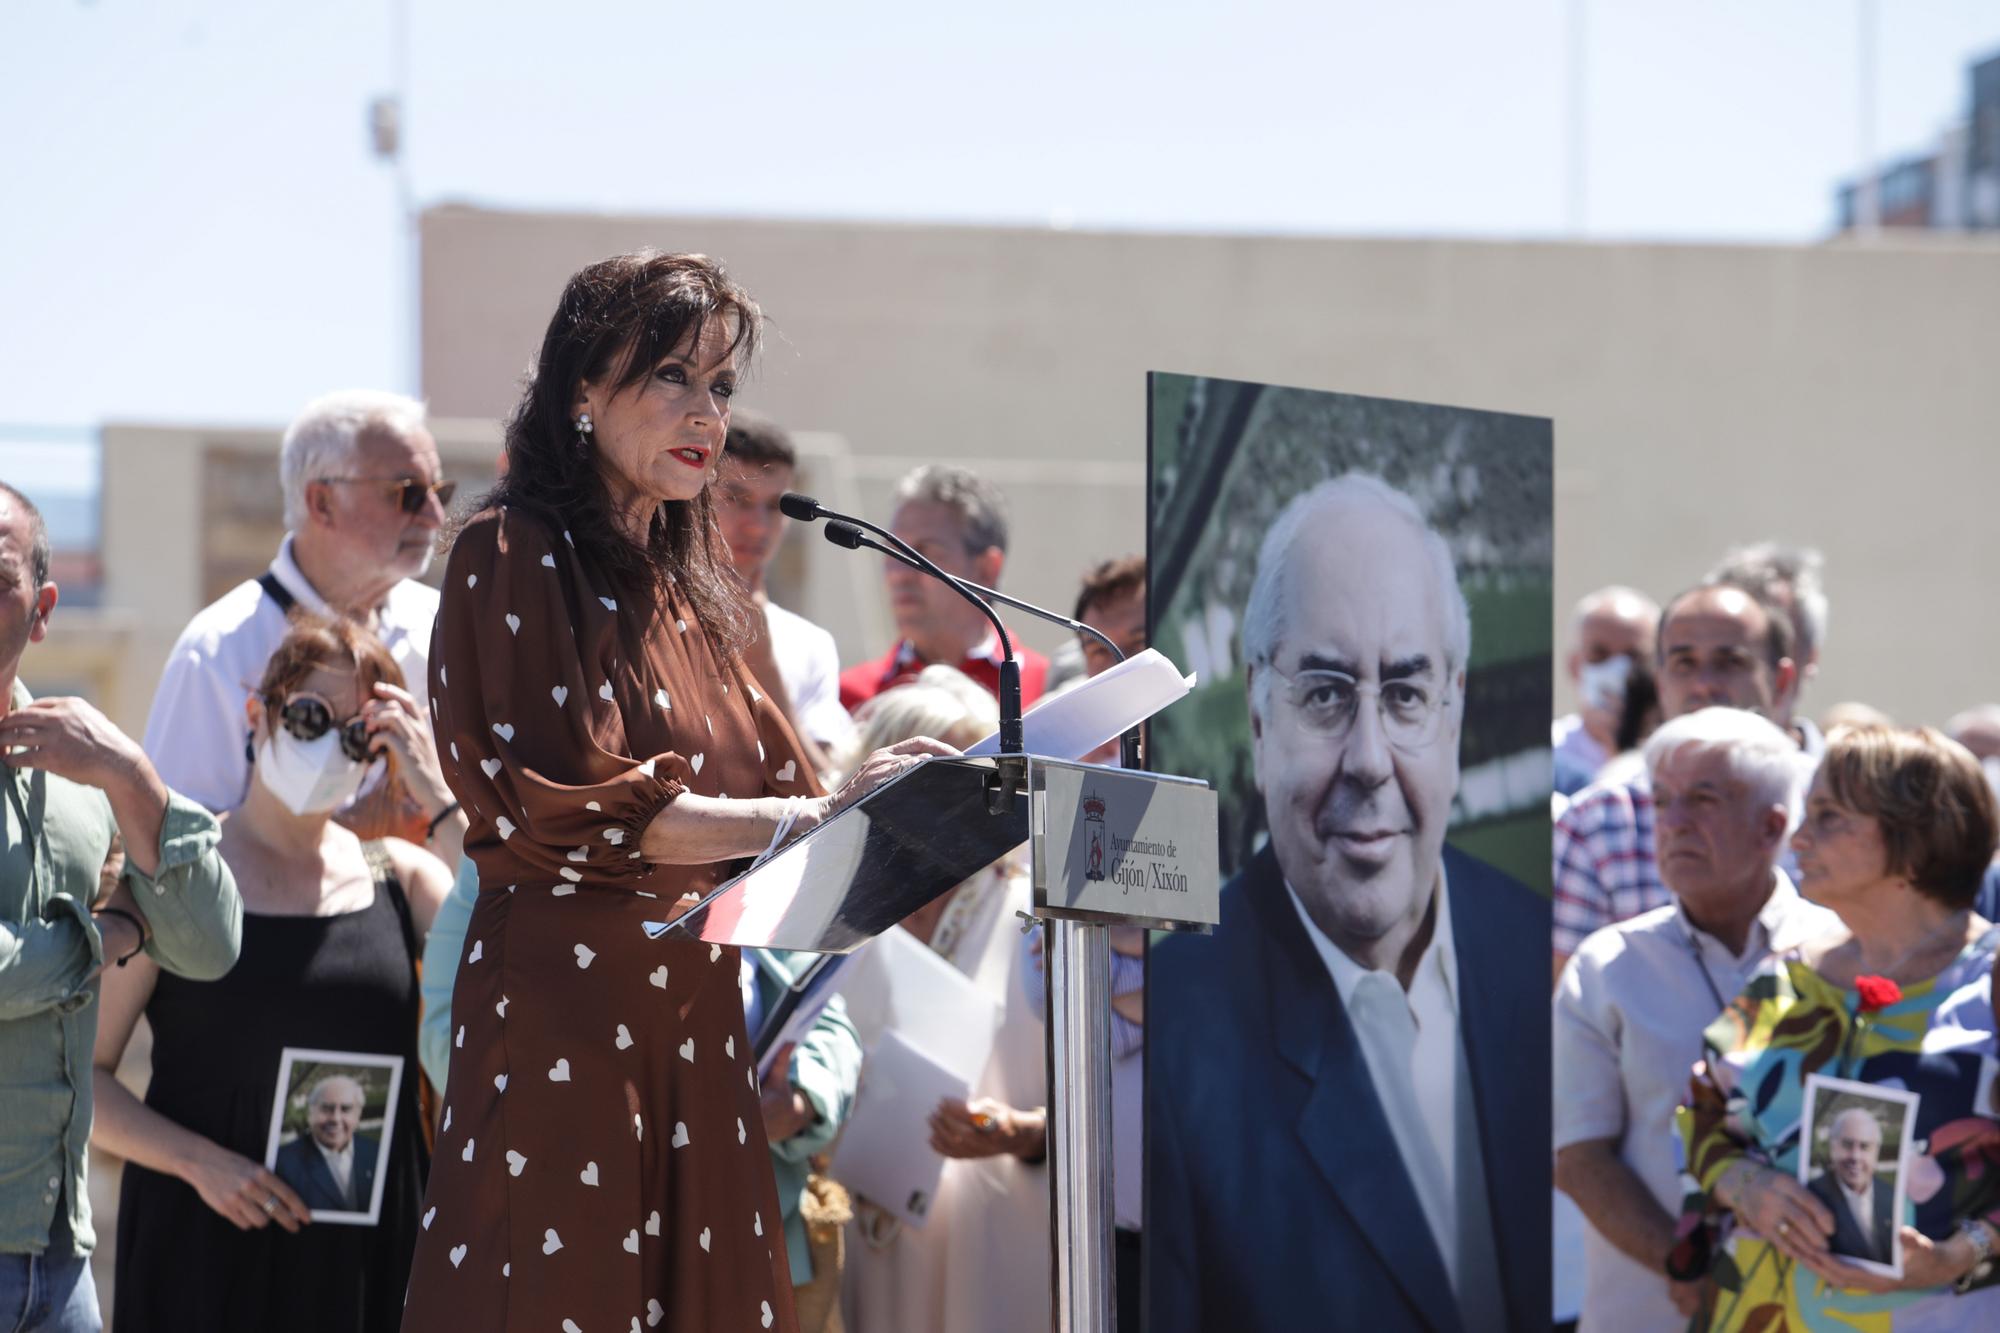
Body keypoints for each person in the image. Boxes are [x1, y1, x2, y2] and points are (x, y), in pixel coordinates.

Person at [397, 250, 948, 1333]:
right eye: (671, 378)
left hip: (695, 1016)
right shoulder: (507, 553)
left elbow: (789, 794)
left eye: (722, 386)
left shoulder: (699, 600)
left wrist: (906, 796)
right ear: (579, 394)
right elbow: (590, 803)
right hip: (564, 1015)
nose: (707, 413)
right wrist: (817, 814)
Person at [1146, 474, 1547, 1333]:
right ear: (1258, 715)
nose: (1369, 760)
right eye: (1326, 693)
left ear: (1455, 708)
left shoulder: (1534, 951)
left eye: (1405, 693)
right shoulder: (1175, 1024)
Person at [91, 615, 452, 1332]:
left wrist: (436, 794)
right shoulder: (177, 881)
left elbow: (510, 953)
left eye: (359, 734)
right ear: (260, 713)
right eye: (313, 716)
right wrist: (201, 1163)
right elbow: (83, 1077)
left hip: (362, 1258)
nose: (331, 747)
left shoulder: (404, 881)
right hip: (204, 1251)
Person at [0, 482, 242, 1333]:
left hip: (60, 1263)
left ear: (41, 610)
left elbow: (209, 943)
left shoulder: (81, 771)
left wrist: (135, 778)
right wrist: (109, 936)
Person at [1677, 725, 2000, 1331]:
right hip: (1759, 1311)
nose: (1799, 838)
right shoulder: (1784, 974)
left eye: (1829, 817)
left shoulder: (1989, 980)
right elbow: (1697, 1109)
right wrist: (1742, 1183)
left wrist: (1961, 1254)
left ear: (1914, 838)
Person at [1553, 707, 1836, 1331]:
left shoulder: (1843, 957)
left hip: (1821, 1310)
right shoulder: (1607, 967)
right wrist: (1686, 1265)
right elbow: (1577, 1157)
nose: (1674, 824)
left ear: (1772, 827)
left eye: (1704, 800)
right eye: (1663, 802)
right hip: (1651, 1311)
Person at [141, 391, 463, 852]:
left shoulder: (446, 627)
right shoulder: (219, 650)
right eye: (407, 494)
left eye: (439, 492)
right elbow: (170, 844)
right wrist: (351, 836)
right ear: (322, 502)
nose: (434, 516)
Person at [835, 666, 1051, 1333]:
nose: (968, 804)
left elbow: (1109, 1108)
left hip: (998, 1267)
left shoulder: (1036, 916)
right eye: (940, 783)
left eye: (981, 779)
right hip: (861, 1265)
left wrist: (1022, 1130)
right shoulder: (838, 921)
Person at [1552, 580, 1808, 978]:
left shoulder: (1832, 810)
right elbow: (1564, 1006)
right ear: (1659, 683)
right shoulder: (1597, 823)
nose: (1704, 683)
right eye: (1684, 663)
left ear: (1781, 681)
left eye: (1729, 662)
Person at [837, 464, 1050, 713]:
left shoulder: (1046, 691)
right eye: (891, 551)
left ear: (986, 570)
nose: (899, 574)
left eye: (922, 554)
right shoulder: (852, 697)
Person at [714, 411, 857, 773]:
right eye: (737, 498)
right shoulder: (648, 614)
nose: (758, 525)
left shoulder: (811, 644)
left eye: (775, 506)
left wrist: (763, 661)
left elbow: (821, 789)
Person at [1553, 586, 1659, 797]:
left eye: (1634, 657)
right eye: (1600, 655)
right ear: (1574, 666)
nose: (1618, 669)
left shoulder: (1673, 755)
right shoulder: (1553, 752)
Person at [273, 1075, 382, 1214]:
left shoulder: (377, 1153)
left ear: (358, 1114)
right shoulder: (283, 1161)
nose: (336, 1118)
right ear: (310, 1113)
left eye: (345, 1109)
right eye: (327, 1108)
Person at [1806, 1108, 1895, 1266]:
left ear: (1876, 1152)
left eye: (1865, 1146)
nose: (1855, 1156)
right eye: (1847, 1145)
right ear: (1833, 1148)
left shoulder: (1891, 1196)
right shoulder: (1813, 1193)